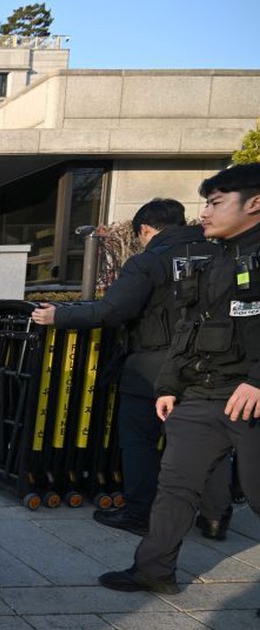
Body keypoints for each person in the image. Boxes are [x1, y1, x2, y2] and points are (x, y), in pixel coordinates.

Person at [99, 163, 260, 595]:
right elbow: (188, 329)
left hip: (252, 397)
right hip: (204, 394)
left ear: (255, 203)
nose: (204, 213)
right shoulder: (215, 257)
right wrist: (170, 385)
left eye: (216, 203)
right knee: (174, 487)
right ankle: (153, 571)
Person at [30, 200, 232, 539]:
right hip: (214, 362)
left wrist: (58, 316)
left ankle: (140, 512)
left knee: (139, 438)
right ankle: (215, 517)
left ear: (145, 230)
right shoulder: (222, 255)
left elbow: (113, 311)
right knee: (208, 441)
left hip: (155, 362)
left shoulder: (148, 261)